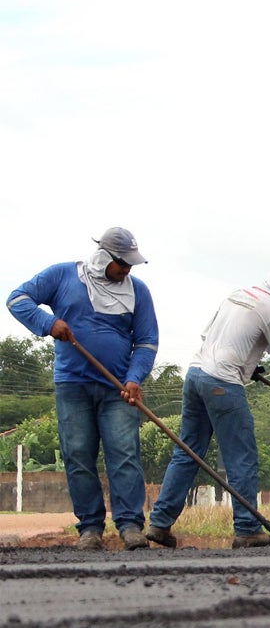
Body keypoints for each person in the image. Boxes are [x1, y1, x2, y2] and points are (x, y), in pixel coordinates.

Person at [146, 265, 270, 549]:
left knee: (187, 452)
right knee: (241, 456)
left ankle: (159, 524)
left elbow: (210, 337)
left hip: (195, 375)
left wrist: (250, 366)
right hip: (222, 382)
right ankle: (247, 528)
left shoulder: (236, 295)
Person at [6, 227, 159, 551]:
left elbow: (146, 342)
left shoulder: (138, 291)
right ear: (104, 256)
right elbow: (17, 299)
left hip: (117, 390)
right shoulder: (63, 276)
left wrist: (134, 378)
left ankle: (131, 526)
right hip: (72, 386)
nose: (127, 270)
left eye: (131, 265)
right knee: (78, 455)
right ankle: (90, 529)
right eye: (122, 264)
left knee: (125, 454)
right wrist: (47, 324)